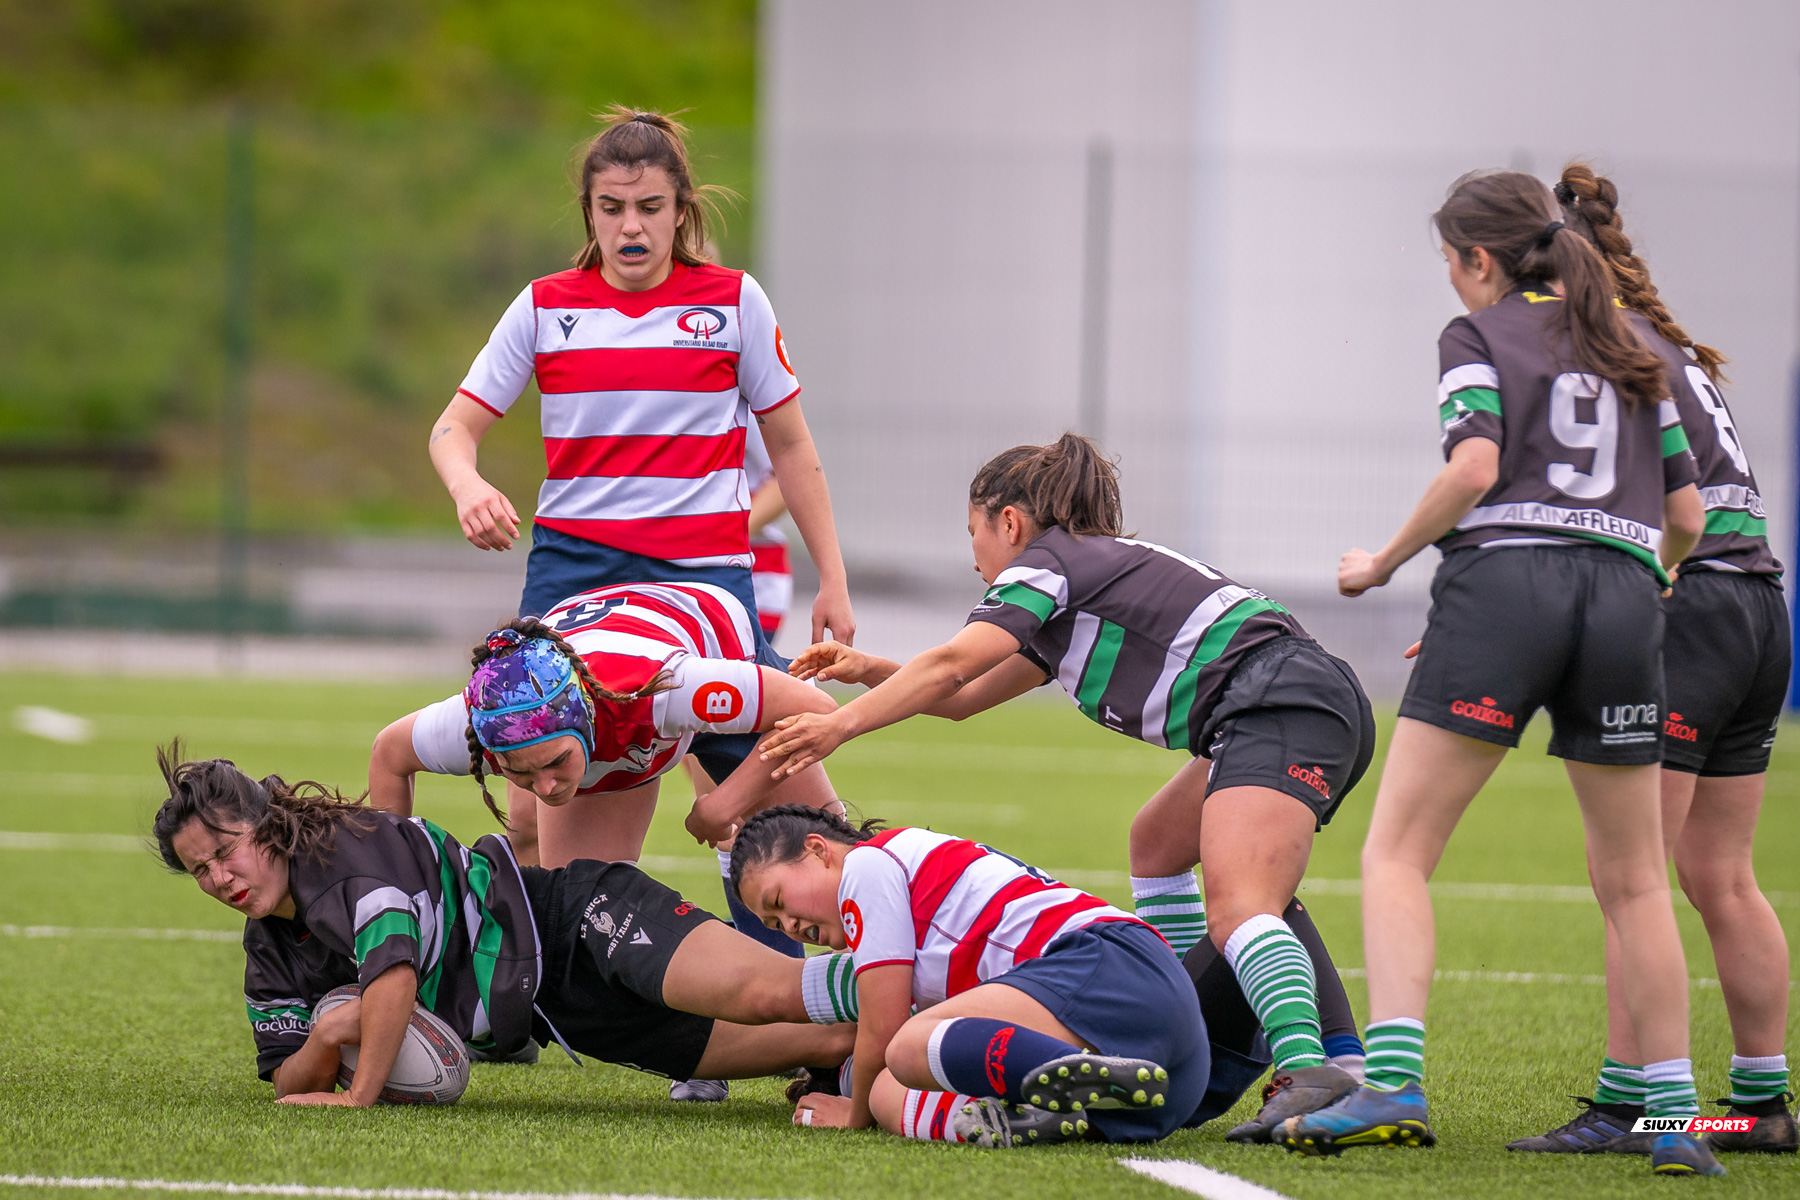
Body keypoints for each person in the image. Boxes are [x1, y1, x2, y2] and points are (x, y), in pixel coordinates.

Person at [725, 434, 1377, 1141]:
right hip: (1282, 700)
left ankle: (1316, 1070)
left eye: (972, 532)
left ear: (1008, 522)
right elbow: (961, 696)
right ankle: (1202, 1018)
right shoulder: (1076, 590)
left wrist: (839, 727)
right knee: (1158, 843)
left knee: (1242, 900)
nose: (974, 557)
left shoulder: (1049, 564)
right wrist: (869, 669)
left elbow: (949, 665)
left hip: (1277, 701)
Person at [1287, 170, 1721, 1177]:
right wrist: (1643, 579)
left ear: (1480, 260)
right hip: (1621, 596)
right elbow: (1688, 522)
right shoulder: (1635, 339)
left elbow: (1475, 468)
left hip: (1506, 588)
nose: (1450, 281)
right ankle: (1674, 1118)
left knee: (1397, 849)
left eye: (1449, 262)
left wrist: (1384, 562)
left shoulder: (1477, 338)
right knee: (1634, 879)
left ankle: (1393, 1084)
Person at [423, 105, 854, 917]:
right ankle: (537, 988)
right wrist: (467, 484)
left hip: (706, 588)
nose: (630, 227)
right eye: (611, 208)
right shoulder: (547, 307)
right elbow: (454, 428)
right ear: (588, 211)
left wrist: (832, 577)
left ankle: (833, 994)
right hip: (574, 580)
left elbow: (792, 449)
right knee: (554, 840)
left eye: (649, 208)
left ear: (681, 209)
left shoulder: (732, 303)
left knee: (809, 826)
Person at [1502, 164, 1792, 1156]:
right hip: (1760, 605)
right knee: (1723, 873)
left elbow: (1611, 505)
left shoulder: (1593, 343)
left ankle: (1632, 1105)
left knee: (1633, 874)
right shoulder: (1663, 334)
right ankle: (1759, 1103)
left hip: (1694, 600)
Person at [152, 745, 853, 1106]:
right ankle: (895, 1051)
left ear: (265, 825)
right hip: (559, 1012)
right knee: (818, 1042)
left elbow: (392, 972)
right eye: (201, 871)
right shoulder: (268, 948)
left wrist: (360, 1093)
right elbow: (285, 1079)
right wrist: (330, 1034)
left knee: (769, 995)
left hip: (572, 920)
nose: (220, 878)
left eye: (224, 850)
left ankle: (939, 981)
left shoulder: (335, 855)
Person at [729, 804, 1203, 1148]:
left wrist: (853, 1114)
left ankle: (1057, 1078)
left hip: (1111, 964)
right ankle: (1042, 1111)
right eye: (774, 924)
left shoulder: (865, 865)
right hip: (1165, 1079)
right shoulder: (907, 883)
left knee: (904, 1049)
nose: (789, 925)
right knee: (892, 1089)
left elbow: (884, 1023)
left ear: (817, 851)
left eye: (778, 901)